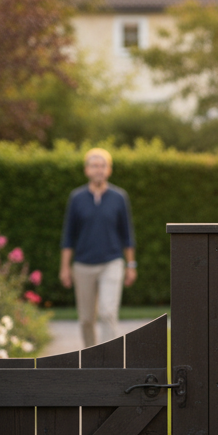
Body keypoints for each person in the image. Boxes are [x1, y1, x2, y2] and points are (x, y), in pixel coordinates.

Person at [59, 148, 137, 347]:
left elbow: (127, 234)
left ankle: (108, 362)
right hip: (83, 265)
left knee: (108, 312)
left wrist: (131, 265)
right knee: (86, 319)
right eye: (94, 166)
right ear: (87, 170)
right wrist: (65, 268)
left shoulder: (119, 197)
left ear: (109, 170)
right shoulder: (76, 198)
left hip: (112, 262)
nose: (99, 170)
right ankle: (91, 359)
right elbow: (69, 236)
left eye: (103, 166)